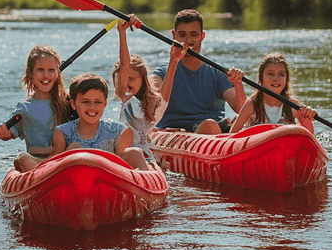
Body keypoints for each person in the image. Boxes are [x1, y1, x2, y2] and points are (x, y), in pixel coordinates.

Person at [149, 9, 246, 134]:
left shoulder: (218, 73)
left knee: (228, 122)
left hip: (215, 131)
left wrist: (238, 84)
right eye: (182, 35)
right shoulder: (162, 72)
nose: (188, 41)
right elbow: (150, 101)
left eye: (194, 34)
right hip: (176, 132)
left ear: (202, 36)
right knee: (209, 125)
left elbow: (241, 110)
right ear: (174, 35)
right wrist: (173, 62)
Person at [0, 44, 71, 172]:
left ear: (58, 72)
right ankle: (45, 174)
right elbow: (10, 133)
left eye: (51, 70)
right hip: (37, 162)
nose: (46, 75)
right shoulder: (24, 108)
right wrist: (3, 132)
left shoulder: (67, 102)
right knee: (22, 158)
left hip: (62, 160)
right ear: (30, 73)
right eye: (40, 70)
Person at [51, 73, 150, 170]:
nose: (92, 107)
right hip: (75, 179)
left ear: (105, 104)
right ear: (73, 104)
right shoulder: (63, 133)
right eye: (85, 102)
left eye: (98, 102)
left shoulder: (118, 131)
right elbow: (53, 166)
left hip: (112, 179)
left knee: (134, 152)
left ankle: (148, 183)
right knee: (74, 148)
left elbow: (125, 167)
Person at [111, 16, 173, 163]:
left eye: (131, 79)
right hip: (125, 151)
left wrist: (174, 60)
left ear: (143, 79)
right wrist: (122, 33)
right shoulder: (125, 96)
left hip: (144, 154)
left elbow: (166, 93)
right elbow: (124, 65)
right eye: (122, 79)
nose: (125, 83)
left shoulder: (154, 102)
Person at [229, 52, 317, 135]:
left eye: (281, 74)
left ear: (286, 80)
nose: (276, 78)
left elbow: (311, 140)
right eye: (271, 74)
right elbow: (231, 136)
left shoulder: (294, 107)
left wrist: (308, 119)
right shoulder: (252, 104)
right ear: (261, 79)